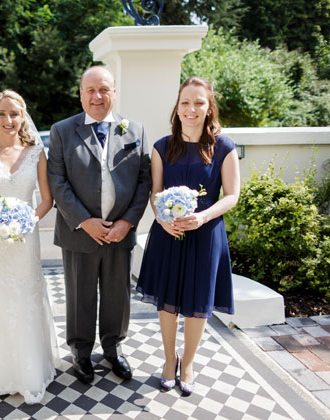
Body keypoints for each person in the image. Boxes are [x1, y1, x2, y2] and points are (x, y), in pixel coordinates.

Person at [136, 76, 240, 396]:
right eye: (185, 102)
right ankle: (169, 360)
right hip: (167, 234)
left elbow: (232, 195)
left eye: (199, 102)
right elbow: (155, 193)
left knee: (197, 302)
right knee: (168, 302)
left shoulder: (223, 147)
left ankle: (189, 363)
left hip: (206, 234)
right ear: (177, 107)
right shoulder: (161, 147)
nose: (191, 108)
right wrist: (163, 219)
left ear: (209, 108)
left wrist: (204, 216)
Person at [47, 66, 151, 383]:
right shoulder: (63, 131)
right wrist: (84, 221)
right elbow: (57, 181)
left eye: (104, 89)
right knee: (79, 295)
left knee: (117, 295)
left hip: (120, 232)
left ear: (114, 92)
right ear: (81, 94)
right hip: (79, 233)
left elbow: (144, 181)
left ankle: (113, 349)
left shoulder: (135, 130)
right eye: (90, 90)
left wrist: (127, 222)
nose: (97, 96)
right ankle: (80, 352)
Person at [0, 89, 59, 404]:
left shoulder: (35, 152)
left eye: (14, 114)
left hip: (25, 237)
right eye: (2, 114)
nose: (8, 120)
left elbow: (46, 199)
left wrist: (26, 220)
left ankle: (27, 372)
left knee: (23, 297)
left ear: (23, 116)